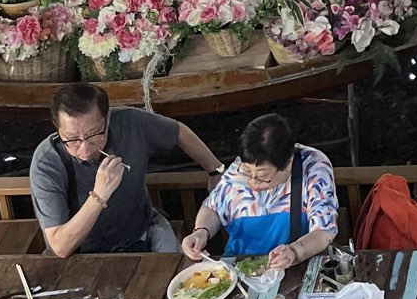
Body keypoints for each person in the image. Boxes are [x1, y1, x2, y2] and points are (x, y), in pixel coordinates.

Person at [29, 83, 223, 257]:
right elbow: (60, 247)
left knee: (176, 276)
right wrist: (99, 195)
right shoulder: (47, 164)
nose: (85, 148)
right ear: (57, 128)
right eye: (72, 139)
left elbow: (178, 132)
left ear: (107, 118)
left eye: (94, 134)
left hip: (144, 230)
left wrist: (215, 169)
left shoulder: (130, 122)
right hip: (83, 253)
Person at [183, 112, 337, 269]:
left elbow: (324, 232)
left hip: (293, 268)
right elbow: (213, 207)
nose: (252, 183)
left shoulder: (313, 167)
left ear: (288, 163)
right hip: (239, 267)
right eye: (247, 173)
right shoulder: (244, 165)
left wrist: (295, 251)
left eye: (262, 177)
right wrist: (201, 232)